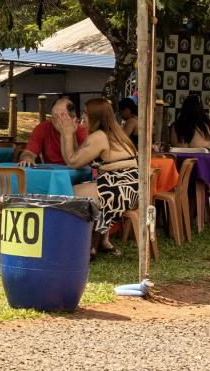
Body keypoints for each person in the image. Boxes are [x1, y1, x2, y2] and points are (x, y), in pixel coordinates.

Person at [66, 97, 140, 255]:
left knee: (66, 192)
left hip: (117, 189)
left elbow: (72, 162)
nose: (82, 116)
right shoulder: (117, 133)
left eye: (86, 113)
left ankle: (86, 245)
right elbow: (80, 155)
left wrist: (66, 134)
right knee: (92, 189)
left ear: (95, 117)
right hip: (131, 189)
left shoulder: (99, 136)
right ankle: (100, 242)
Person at [20, 96, 86, 166]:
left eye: (61, 117)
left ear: (73, 117)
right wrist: (28, 158)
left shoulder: (81, 130)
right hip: (52, 170)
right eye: (54, 117)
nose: (56, 121)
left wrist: (70, 134)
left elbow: (80, 161)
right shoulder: (43, 128)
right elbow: (29, 152)